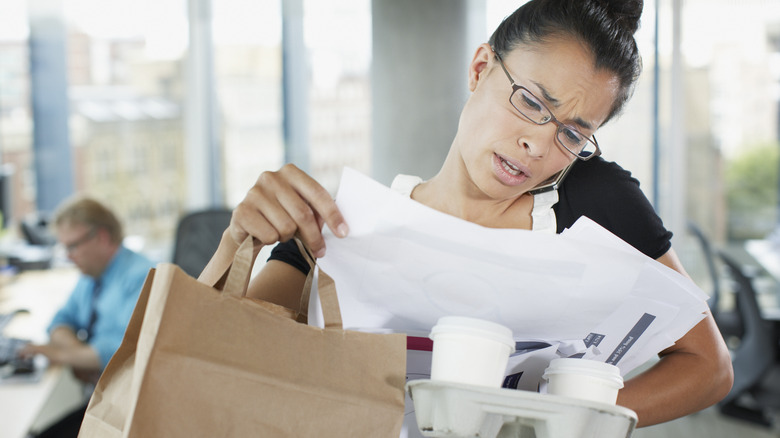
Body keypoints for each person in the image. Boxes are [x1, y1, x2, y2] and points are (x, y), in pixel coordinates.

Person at [201, 0, 733, 429]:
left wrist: (565, 425)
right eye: (530, 102)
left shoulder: (592, 202)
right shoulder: (340, 228)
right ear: (480, 68)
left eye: (573, 133)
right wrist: (234, 242)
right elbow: (207, 361)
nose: (536, 143)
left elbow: (708, 367)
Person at [20, 197, 154, 438]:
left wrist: (62, 354)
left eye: (73, 246)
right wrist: (78, 355)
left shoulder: (142, 278)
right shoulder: (91, 276)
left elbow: (122, 353)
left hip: (131, 410)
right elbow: (61, 320)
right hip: (103, 398)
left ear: (101, 237)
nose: (68, 256)